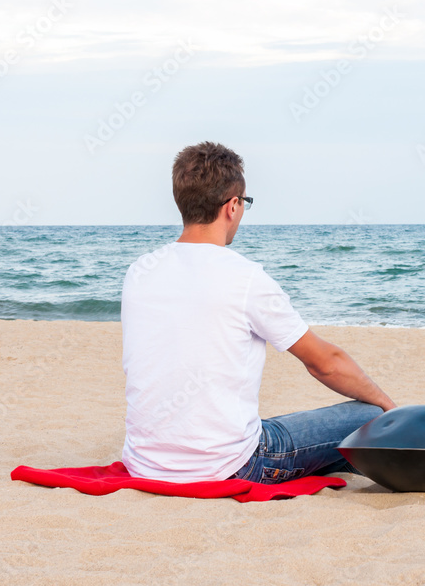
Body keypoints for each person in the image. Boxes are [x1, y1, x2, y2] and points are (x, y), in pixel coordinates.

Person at [120, 141, 396, 484]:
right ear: (232, 206)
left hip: (144, 462)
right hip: (231, 465)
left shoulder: (139, 272)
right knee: (368, 415)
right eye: (245, 202)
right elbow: (325, 362)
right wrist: (387, 406)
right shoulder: (245, 278)